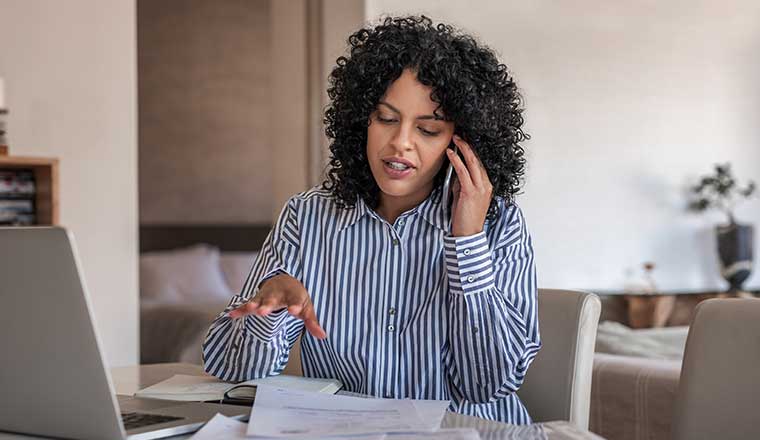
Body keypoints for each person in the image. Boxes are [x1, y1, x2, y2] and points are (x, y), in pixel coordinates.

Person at [202, 15, 541, 424]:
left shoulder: (500, 225)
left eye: (428, 129)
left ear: (463, 142)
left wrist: (467, 241)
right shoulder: (307, 217)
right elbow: (228, 367)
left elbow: (486, 384)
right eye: (386, 118)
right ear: (361, 119)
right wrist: (269, 307)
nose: (400, 142)